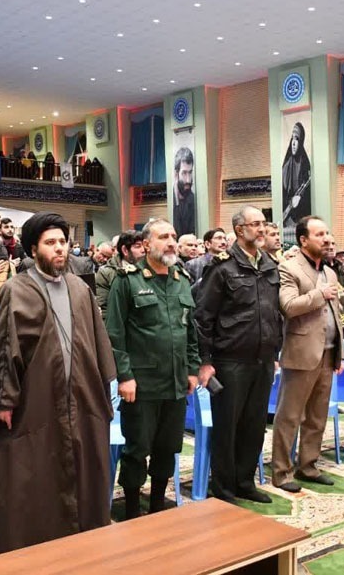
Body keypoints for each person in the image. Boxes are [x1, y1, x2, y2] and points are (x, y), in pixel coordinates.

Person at [0, 212, 116, 554]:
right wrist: (3, 400)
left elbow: (97, 345)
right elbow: (4, 349)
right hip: (34, 404)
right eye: (50, 243)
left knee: (82, 474)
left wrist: (103, 391)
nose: (59, 249)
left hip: (79, 399)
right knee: (35, 477)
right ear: (34, 249)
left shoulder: (80, 288)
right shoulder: (17, 291)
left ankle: (82, 551)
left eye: (63, 242)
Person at [106, 218, 199, 519]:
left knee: (168, 447)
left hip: (175, 382)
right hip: (141, 384)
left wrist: (192, 368)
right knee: (137, 449)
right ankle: (132, 510)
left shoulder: (181, 279)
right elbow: (115, 333)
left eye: (173, 236)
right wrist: (124, 376)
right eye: (163, 237)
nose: (171, 242)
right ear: (146, 244)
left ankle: (158, 507)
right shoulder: (127, 280)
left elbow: (190, 330)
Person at [195, 207, 281, 504]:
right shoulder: (222, 267)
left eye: (263, 224)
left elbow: (274, 312)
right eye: (255, 224)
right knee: (228, 427)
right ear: (239, 230)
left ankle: (245, 482)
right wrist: (205, 360)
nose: (261, 229)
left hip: (263, 358)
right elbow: (203, 317)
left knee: (255, 425)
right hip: (231, 359)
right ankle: (223, 487)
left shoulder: (268, 264)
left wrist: (275, 349)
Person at [271, 216, 344, 491]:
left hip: (328, 353)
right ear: (303, 240)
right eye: (319, 234)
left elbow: (335, 314)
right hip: (301, 353)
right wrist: (319, 294)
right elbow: (289, 306)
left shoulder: (330, 272)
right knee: (289, 416)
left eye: (327, 233)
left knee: (317, 416)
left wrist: (341, 353)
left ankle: (308, 466)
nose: (327, 239)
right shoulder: (289, 268)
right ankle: (281, 472)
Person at [95, 230, 145, 322]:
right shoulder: (106, 273)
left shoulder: (149, 269)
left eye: (144, 246)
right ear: (125, 250)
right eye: (138, 246)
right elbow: (104, 308)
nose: (143, 250)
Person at [280, 122, 311, 242]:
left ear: (301, 141)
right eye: (292, 138)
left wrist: (300, 198)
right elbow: (282, 193)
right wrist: (290, 202)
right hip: (288, 221)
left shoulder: (305, 164)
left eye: (297, 139)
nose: (293, 143)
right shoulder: (286, 166)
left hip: (301, 220)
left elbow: (307, 193)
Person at [172, 147, 196, 236]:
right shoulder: (170, 198)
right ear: (176, 174)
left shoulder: (192, 198)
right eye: (184, 173)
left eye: (190, 172)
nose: (188, 180)